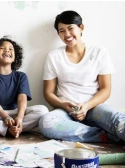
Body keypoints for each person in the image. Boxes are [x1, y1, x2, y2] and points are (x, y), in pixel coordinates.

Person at [39, 10, 125, 143]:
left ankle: (108, 131)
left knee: (119, 120)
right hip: (65, 111)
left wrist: (86, 106)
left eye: (70, 28)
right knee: (46, 122)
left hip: (94, 108)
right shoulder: (54, 56)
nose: (67, 34)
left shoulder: (99, 52)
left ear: (81, 28)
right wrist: (63, 104)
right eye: (62, 31)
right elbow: (48, 92)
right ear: (58, 34)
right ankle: (106, 136)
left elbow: (106, 89)